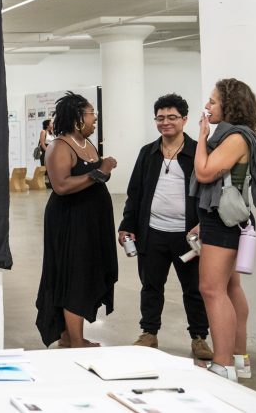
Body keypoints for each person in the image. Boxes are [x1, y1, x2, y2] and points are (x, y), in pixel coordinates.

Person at [117, 93, 211, 360]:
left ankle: (199, 337)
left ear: (184, 119)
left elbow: (208, 192)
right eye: (160, 118)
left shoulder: (197, 152)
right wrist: (127, 224)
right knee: (151, 286)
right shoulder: (148, 153)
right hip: (152, 232)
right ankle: (149, 333)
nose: (165, 122)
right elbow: (134, 192)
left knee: (193, 288)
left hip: (188, 235)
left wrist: (203, 224)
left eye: (172, 117)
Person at [191, 79, 256, 381]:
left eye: (212, 102)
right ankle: (239, 358)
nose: (207, 107)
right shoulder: (239, 136)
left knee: (211, 289)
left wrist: (201, 136)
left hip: (223, 222)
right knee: (230, 288)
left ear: (229, 105)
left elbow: (204, 171)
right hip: (227, 218)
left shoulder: (235, 138)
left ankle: (221, 365)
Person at [35, 92, 118, 348]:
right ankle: (76, 341)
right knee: (75, 276)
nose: (95, 119)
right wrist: (99, 171)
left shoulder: (87, 143)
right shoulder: (59, 146)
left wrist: (100, 171)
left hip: (91, 219)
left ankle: (69, 337)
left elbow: (93, 176)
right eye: (92, 114)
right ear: (77, 118)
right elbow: (61, 185)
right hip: (70, 220)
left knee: (86, 272)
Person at [39, 119, 52, 189]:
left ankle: (51, 182)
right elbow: (42, 143)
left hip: (51, 150)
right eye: (51, 123)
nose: (52, 124)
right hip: (45, 151)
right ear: (47, 125)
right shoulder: (43, 132)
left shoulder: (51, 132)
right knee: (45, 166)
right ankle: (46, 183)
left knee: (51, 167)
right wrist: (47, 151)